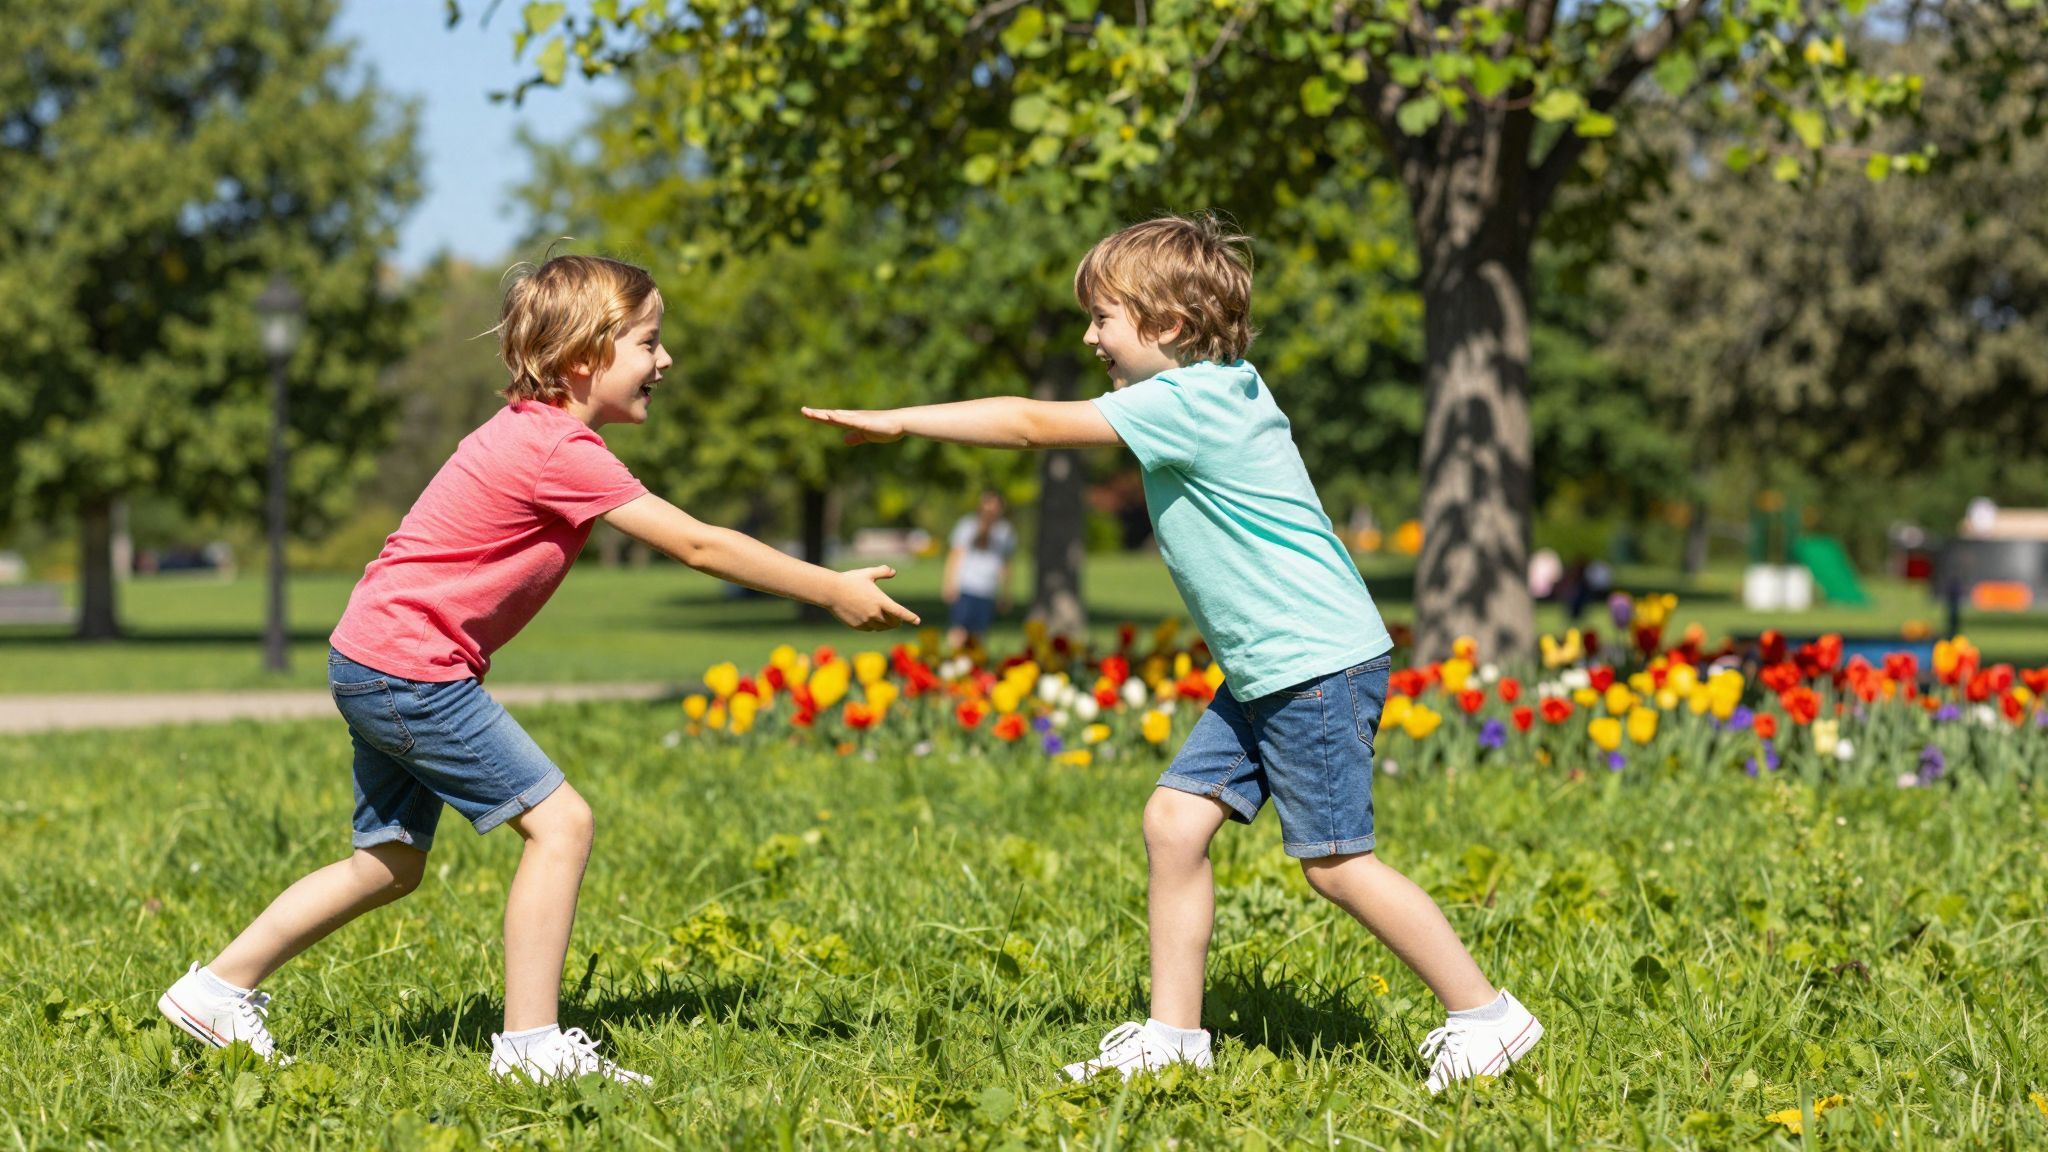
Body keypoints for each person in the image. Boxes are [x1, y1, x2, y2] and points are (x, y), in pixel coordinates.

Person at [803, 215, 1540, 1093]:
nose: (1089, 337)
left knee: (1337, 863)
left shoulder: (1187, 403)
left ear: (1170, 326)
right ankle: (1174, 1036)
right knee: (1174, 821)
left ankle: (1487, 1018)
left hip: (1311, 665)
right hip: (1277, 667)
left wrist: (900, 421)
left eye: (1104, 318)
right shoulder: (1226, 387)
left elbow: (1033, 423)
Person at [157, 255, 917, 1085]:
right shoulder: (558, 448)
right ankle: (529, 1050)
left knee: (388, 864)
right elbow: (698, 543)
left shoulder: (528, 431)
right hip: (412, 667)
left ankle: (217, 989)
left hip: (376, 656)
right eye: (650, 343)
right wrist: (827, 588)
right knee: (563, 824)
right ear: (586, 355)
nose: (665, 361)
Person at [943, 489, 1015, 650]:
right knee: (959, 630)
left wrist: (1005, 592)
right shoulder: (967, 525)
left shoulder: (1005, 531)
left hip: (987, 589)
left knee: (979, 634)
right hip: (966, 585)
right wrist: (950, 583)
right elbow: (955, 556)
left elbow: (1005, 564)